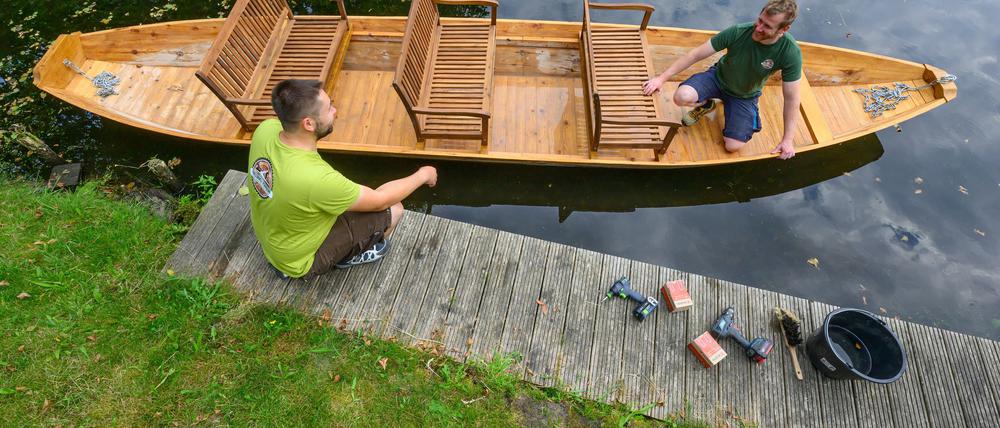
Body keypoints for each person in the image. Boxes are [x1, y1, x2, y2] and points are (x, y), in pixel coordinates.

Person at [247, 79, 438, 279]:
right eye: (329, 108)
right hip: (296, 262)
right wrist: (423, 174)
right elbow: (379, 200)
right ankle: (351, 255)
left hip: (274, 238)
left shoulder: (266, 129)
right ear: (309, 123)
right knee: (394, 209)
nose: (335, 111)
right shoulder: (317, 179)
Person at [642, 0, 802, 160]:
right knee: (681, 96)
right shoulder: (739, 31)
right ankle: (707, 104)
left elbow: (791, 98)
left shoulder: (789, 52)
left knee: (733, 146)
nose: (758, 28)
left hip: (744, 95)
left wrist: (787, 140)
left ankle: (737, 111)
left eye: (767, 26)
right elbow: (695, 54)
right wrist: (661, 79)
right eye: (760, 20)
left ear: (784, 29)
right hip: (717, 78)